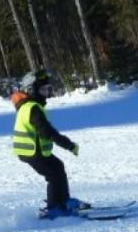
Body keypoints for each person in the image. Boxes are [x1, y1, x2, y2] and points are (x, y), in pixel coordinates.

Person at [11, 69, 87, 218]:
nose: (47, 93)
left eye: (48, 89)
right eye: (43, 89)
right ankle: (53, 208)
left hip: (34, 150)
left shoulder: (31, 105)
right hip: (31, 151)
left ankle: (64, 200)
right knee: (53, 174)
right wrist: (69, 145)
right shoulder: (32, 108)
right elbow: (47, 132)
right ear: (32, 90)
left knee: (57, 167)